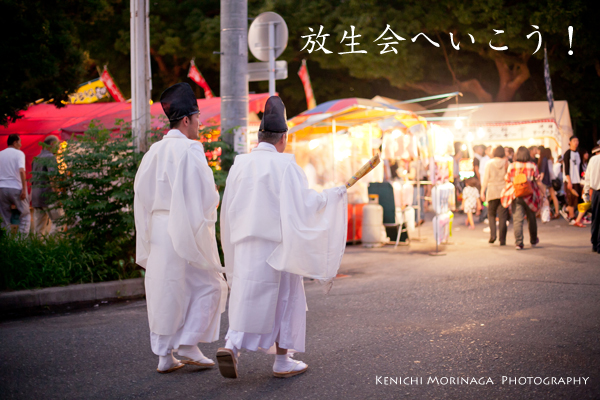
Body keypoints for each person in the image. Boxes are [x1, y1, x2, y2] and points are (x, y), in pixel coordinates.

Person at [218, 96, 347, 379]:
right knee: (286, 298)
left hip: (244, 242)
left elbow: (227, 206)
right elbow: (305, 204)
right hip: (279, 245)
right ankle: (282, 360)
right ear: (283, 138)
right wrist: (332, 196)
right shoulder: (286, 166)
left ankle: (232, 345)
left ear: (259, 136)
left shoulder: (240, 164)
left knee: (245, 295)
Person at [134, 83, 228, 374]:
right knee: (211, 284)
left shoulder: (154, 152)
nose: (200, 123)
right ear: (186, 119)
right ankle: (188, 343)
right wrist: (214, 196)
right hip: (184, 226)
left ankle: (164, 356)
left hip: (159, 228)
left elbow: (141, 193)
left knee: (166, 288)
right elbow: (205, 195)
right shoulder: (190, 149)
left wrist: (148, 230)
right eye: (198, 117)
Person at [501, 146, 542, 250]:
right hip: (530, 195)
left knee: (517, 219)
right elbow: (537, 179)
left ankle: (519, 243)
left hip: (516, 194)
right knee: (531, 218)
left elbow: (508, 179)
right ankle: (533, 240)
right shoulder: (532, 165)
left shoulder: (512, 166)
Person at [31, 135, 64, 235]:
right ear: (52, 144)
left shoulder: (36, 159)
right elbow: (53, 177)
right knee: (59, 222)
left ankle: (37, 248)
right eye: (58, 145)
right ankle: (51, 246)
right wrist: (57, 195)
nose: (59, 148)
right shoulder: (50, 157)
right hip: (48, 195)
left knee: (39, 227)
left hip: (36, 196)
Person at [0, 134, 30, 234]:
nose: (21, 145)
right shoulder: (19, 154)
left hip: (2, 189)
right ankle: (20, 242)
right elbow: (21, 171)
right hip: (16, 188)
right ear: (15, 142)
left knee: (4, 217)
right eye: (19, 142)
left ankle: (6, 242)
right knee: (25, 215)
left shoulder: (1, 154)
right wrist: (24, 189)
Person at [481, 145, 508, 245]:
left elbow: (485, 178)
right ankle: (502, 239)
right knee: (503, 216)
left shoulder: (489, 163)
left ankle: (493, 235)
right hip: (503, 191)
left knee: (491, 214)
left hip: (492, 191)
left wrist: (482, 191)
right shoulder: (506, 163)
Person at [563, 136, 582, 221]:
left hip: (577, 179)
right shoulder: (567, 153)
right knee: (571, 199)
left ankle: (568, 211)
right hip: (569, 180)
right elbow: (566, 168)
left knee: (576, 199)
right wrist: (569, 181)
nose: (576, 142)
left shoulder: (578, 153)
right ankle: (571, 217)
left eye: (577, 140)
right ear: (570, 142)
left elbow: (579, 167)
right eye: (574, 140)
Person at [585, 146, 600, 253]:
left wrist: (586, 192)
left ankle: (594, 243)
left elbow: (587, 178)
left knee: (595, 218)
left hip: (595, 192)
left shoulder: (593, 160)